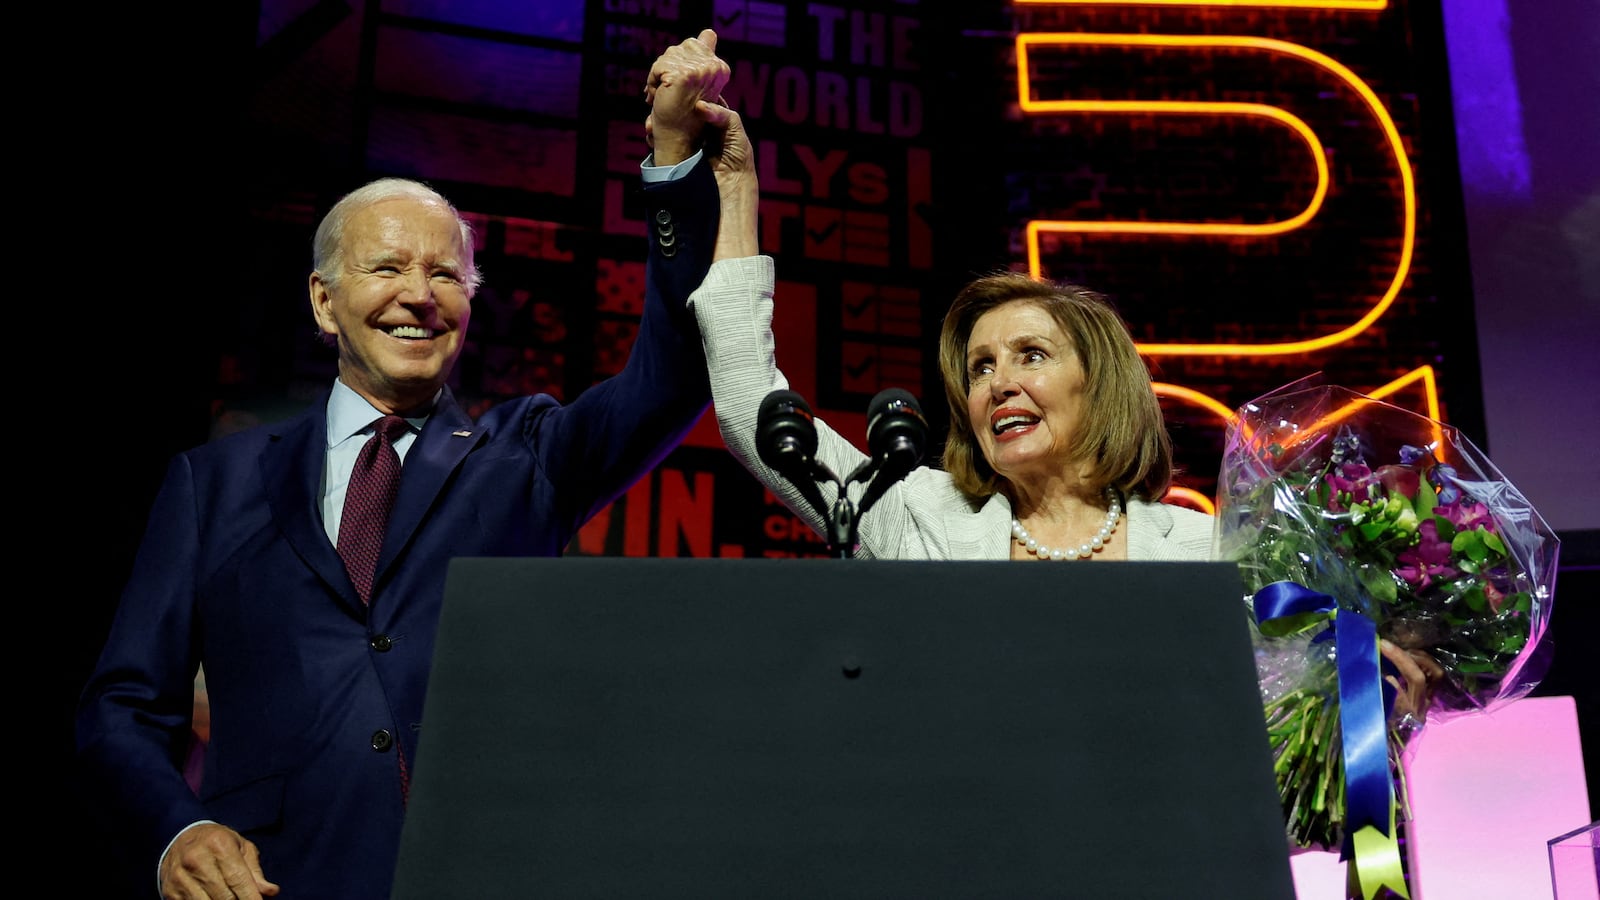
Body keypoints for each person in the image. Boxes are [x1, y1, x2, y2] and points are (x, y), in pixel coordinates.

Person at [75, 29, 734, 900]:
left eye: (446, 274)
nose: (419, 294)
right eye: (387, 267)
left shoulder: (528, 456)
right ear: (324, 299)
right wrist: (176, 829)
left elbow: (674, 373)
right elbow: (122, 707)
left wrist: (673, 158)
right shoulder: (215, 484)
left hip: (477, 873)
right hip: (272, 884)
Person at [676, 52, 1442, 721]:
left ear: (1098, 383)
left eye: (1029, 356)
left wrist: (1370, 708)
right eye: (979, 369)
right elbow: (750, 407)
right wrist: (737, 185)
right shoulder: (921, 518)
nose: (999, 383)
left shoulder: (1211, 557)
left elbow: (1268, 758)